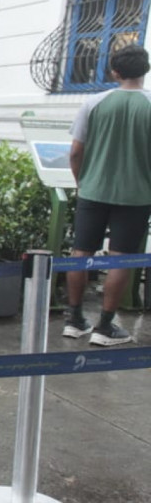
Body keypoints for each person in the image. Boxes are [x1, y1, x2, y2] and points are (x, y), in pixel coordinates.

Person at [64, 44, 151, 347]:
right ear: (146, 70)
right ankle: (105, 327)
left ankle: (74, 320)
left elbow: (75, 152)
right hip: (137, 195)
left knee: (80, 253)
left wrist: (82, 183)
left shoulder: (94, 103)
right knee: (121, 260)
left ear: (115, 72)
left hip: (93, 190)